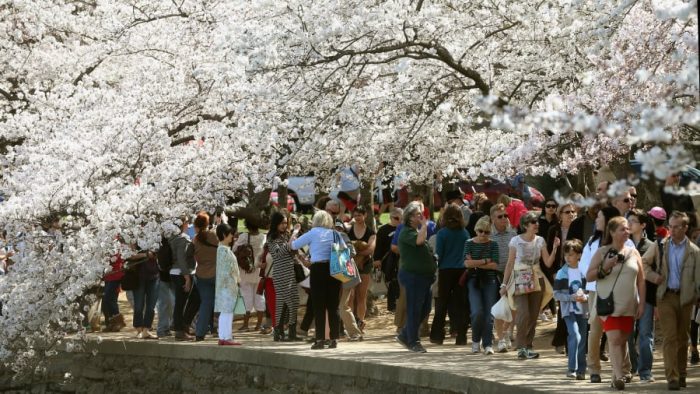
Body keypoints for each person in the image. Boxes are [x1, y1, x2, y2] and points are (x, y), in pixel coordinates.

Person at [585, 217, 646, 391]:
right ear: (611, 232)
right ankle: (619, 375)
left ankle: (615, 376)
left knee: (623, 339)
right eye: (622, 229)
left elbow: (641, 281)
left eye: (627, 229)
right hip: (609, 305)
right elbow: (589, 276)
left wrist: (641, 304)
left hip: (629, 305)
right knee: (614, 338)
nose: (626, 232)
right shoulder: (602, 252)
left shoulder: (634, 253)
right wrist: (605, 266)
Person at [579, 205, 630, 384]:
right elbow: (584, 266)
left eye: (599, 217)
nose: (596, 220)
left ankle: (624, 370)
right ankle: (594, 369)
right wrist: (602, 270)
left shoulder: (626, 242)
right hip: (596, 291)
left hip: (620, 292)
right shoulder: (593, 242)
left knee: (620, 330)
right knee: (596, 329)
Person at [500, 211, 559, 360]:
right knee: (523, 313)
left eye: (537, 221)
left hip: (537, 278)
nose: (537, 224)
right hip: (519, 278)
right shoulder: (515, 241)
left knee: (533, 316)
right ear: (525, 225)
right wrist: (504, 284)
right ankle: (521, 347)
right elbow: (510, 263)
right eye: (533, 222)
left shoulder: (540, 240)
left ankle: (528, 346)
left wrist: (555, 248)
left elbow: (548, 263)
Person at [655, 211, 700, 390]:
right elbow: (643, 263)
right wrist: (653, 277)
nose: (672, 230)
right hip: (665, 296)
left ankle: (681, 373)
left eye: (676, 227)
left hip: (686, 299)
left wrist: (697, 296)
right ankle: (671, 377)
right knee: (670, 337)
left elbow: (698, 277)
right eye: (670, 226)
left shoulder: (695, 251)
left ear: (685, 228)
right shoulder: (660, 246)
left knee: (682, 338)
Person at [291, 210, 341, 350]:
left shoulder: (313, 232)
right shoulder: (335, 233)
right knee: (333, 306)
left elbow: (294, 245)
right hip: (334, 269)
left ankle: (320, 338)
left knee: (318, 306)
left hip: (318, 270)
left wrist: (294, 233)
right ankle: (334, 338)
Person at [395, 202, 436, 353]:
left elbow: (421, 239)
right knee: (414, 309)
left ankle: (405, 334)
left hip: (424, 278)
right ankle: (413, 341)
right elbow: (419, 241)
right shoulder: (406, 232)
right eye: (419, 214)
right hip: (413, 277)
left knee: (425, 308)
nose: (422, 216)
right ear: (411, 217)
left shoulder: (414, 231)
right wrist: (424, 225)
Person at [430, 203, 470, 346]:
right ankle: (461, 336)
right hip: (461, 271)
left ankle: (437, 334)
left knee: (442, 302)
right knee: (461, 304)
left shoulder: (442, 233)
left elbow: (439, 253)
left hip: (446, 270)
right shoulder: (465, 233)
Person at [627, 209, 659, 383]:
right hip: (627, 297)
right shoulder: (623, 245)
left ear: (643, 225)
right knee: (627, 334)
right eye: (628, 221)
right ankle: (632, 367)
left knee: (646, 334)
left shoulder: (652, 246)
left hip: (646, 297)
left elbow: (654, 277)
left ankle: (645, 370)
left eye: (633, 221)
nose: (629, 224)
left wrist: (656, 304)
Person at [546, 203, 584, 354]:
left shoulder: (578, 228)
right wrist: (554, 272)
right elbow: (550, 252)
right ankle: (562, 341)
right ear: (560, 214)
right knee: (564, 306)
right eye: (567, 212)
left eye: (573, 211)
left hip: (576, 271)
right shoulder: (554, 230)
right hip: (560, 272)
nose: (571, 214)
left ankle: (567, 341)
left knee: (574, 308)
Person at [464, 216, 499, 354]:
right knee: (477, 311)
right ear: (475, 230)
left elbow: (495, 265)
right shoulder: (468, 243)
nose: (483, 234)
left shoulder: (493, 244)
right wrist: (486, 261)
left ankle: (488, 343)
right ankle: (475, 340)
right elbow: (467, 264)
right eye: (480, 231)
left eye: (486, 232)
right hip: (473, 280)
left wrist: (476, 262)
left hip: (490, 281)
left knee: (489, 314)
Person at [265, 211, 303, 342]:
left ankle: (288, 332)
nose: (284, 226)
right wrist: (294, 235)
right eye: (281, 223)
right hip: (280, 274)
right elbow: (277, 254)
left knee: (293, 302)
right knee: (288, 302)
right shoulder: (271, 238)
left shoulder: (286, 236)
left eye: (285, 223)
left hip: (290, 273)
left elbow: (293, 250)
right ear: (276, 223)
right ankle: (279, 332)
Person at [553, 239, 588, 380]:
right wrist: (571, 297)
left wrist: (585, 297)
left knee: (583, 339)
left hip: (583, 311)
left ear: (579, 255)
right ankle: (571, 368)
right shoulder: (562, 273)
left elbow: (591, 291)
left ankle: (581, 370)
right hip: (569, 311)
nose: (568, 257)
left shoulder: (584, 271)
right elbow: (556, 294)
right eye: (566, 254)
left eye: (571, 254)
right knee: (575, 335)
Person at [491, 203, 517, 353]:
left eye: (505, 216)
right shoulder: (488, 234)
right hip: (495, 275)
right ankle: (500, 339)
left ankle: (507, 333)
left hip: (513, 275)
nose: (504, 219)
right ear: (493, 218)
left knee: (513, 307)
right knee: (499, 308)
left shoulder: (513, 234)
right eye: (500, 216)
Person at [233, 219, 267, 333]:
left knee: (246, 297)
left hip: (246, 271)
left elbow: (234, 250)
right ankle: (258, 324)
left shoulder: (243, 237)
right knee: (260, 297)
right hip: (259, 271)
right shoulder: (263, 237)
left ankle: (246, 325)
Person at [347, 206, 376, 332]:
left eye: (360, 215)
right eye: (355, 215)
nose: (357, 217)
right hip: (350, 264)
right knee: (351, 295)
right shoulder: (348, 230)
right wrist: (359, 249)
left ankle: (360, 322)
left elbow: (370, 249)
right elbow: (345, 247)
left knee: (361, 295)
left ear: (365, 216)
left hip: (365, 265)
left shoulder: (370, 232)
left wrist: (356, 250)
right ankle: (351, 323)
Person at [192, 212, 219, 341]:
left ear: (196, 226)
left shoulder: (195, 240)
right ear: (207, 224)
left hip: (202, 274)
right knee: (220, 303)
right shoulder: (214, 236)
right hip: (216, 272)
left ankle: (200, 332)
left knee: (206, 303)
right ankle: (219, 329)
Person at [214, 223, 242, 346]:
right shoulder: (224, 250)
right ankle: (226, 337)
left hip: (225, 286)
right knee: (227, 312)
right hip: (228, 286)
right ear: (225, 235)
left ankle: (224, 336)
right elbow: (227, 270)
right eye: (230, 234)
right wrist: (235, 282)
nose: (232, 236)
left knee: (226, 312)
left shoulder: (222, 249)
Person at [373, 208, 402, 312]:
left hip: (402, 258)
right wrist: (377, 259)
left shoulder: (404, 228)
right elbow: (379, 246)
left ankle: (398, 304)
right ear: (391, 217)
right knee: (392, 281)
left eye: (401, 218)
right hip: (388, 260)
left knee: (399, 281)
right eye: (397, 218)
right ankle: (392, 305)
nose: (399, 220)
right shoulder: (383, 230)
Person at [130, 246, 160, 340]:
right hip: (138, 277)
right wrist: (146, 254)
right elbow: (130, 255)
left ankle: (146, 330)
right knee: (139, 305)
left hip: (154, 276)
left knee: (151, 306)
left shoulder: (156, 238)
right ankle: (139, 329)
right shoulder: (134, 237)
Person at [102, 253, 126, 332]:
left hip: (116, 275)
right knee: (106, 301)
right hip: (107, 277)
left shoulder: (118, 245)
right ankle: (111, 322)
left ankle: (119, 322)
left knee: (109, 299)